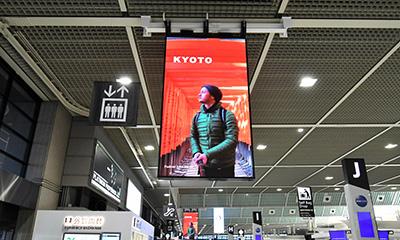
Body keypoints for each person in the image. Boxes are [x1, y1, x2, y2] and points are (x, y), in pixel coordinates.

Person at [190, 85, 239, 178]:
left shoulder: (227, 115)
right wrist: (196, 152)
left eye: (203, 92)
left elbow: (232, 140)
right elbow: (193, 136)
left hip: (225, 166)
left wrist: (207, 155)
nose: (199, 94)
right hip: (205, 166)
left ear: (213, 96)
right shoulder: (197, 117)